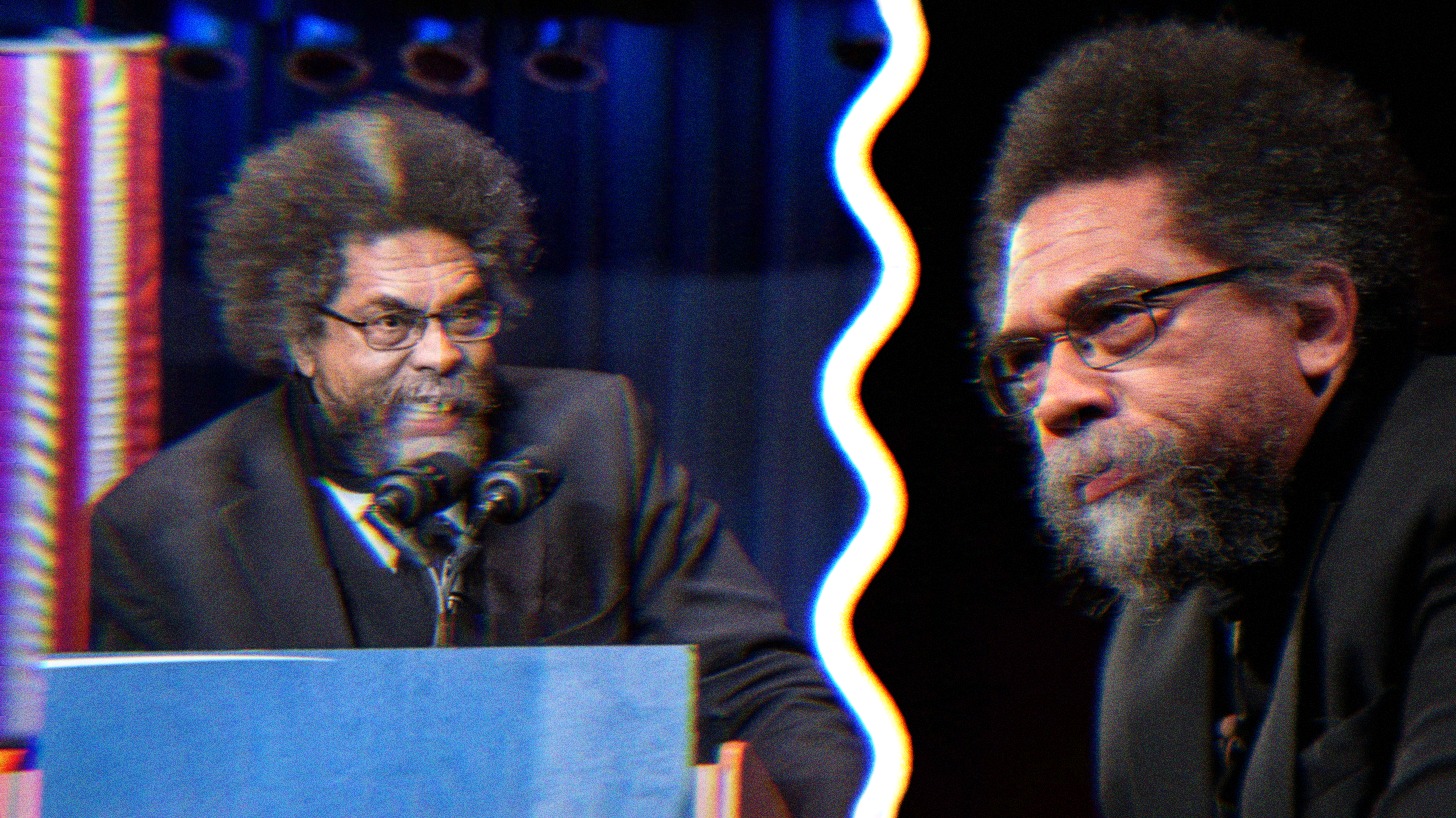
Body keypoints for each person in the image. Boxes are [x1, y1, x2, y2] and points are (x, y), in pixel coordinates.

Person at [88, 97, 865, 818]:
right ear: (298, 337)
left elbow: (755, 685)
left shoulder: (597, 437)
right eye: (390, 324)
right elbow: (142, 784)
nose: (440, 354)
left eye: (466, 313)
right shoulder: (168, 528)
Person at [973, 21, 1456, 818]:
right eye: (1026, 356)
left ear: (1312, 322)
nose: (1057, 399)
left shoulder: (1439, 479)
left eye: (1117, 316)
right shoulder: (1152, 650)